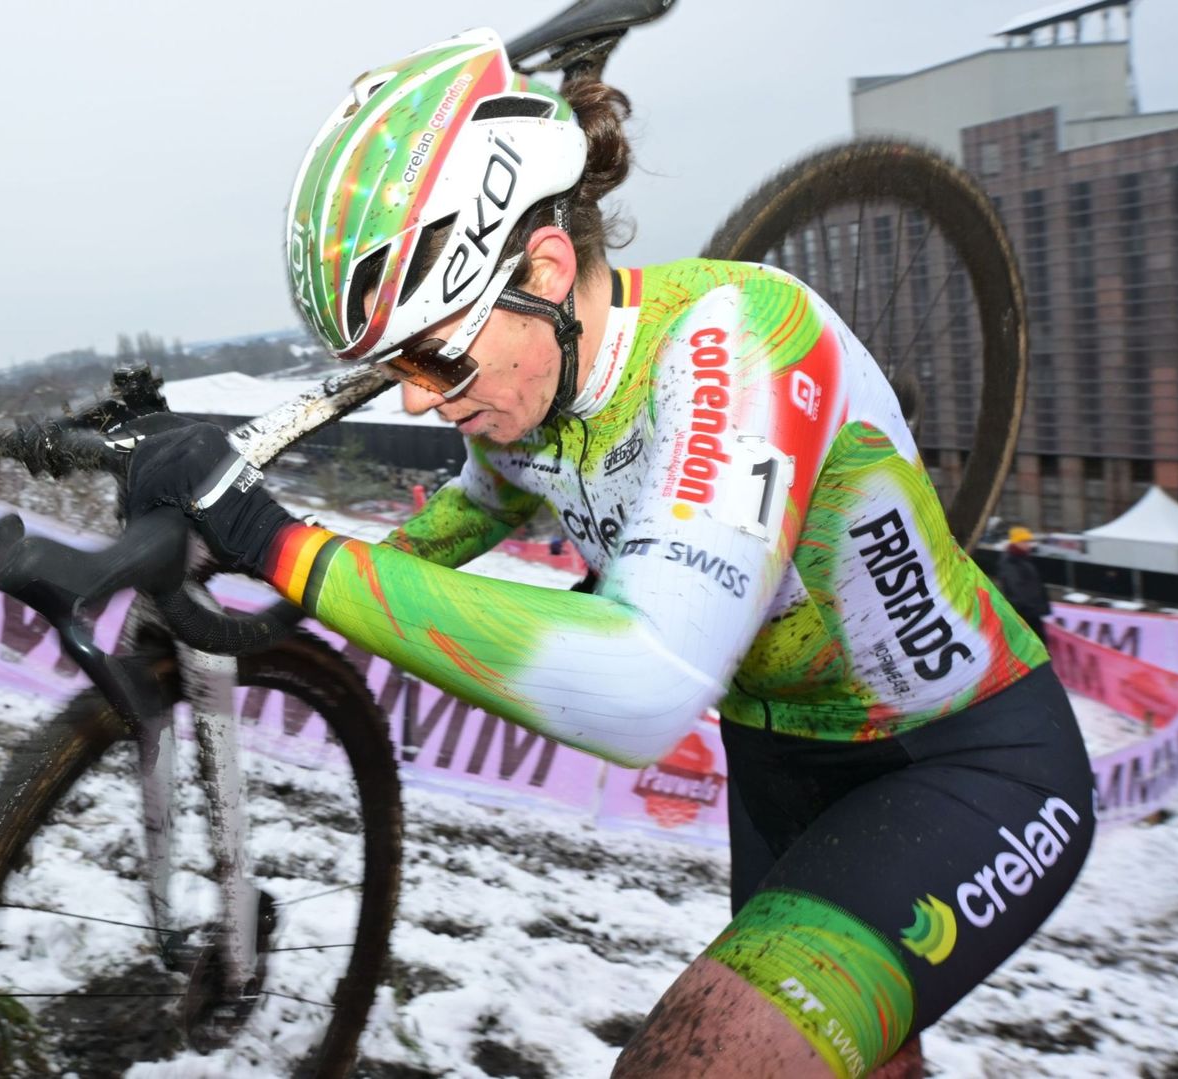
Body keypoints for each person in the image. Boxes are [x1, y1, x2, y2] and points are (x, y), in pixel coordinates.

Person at [120, 28, 1093, 1079]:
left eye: (434, 357)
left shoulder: (739, 337)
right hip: (780, 773)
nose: (418, 400)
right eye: (398, 368)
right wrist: (266, 574)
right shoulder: (526, 402)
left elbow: (643, 681)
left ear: (544, 268)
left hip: (959, 759)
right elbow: (452, 528)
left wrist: (281, 543)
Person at [995, 526, 1053, 646]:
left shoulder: (1022, 558)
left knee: (1039, 644)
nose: (1028, 544)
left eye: (1028, 541)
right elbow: (1017, 589)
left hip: (1031, 612)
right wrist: (1032, 606)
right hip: (1026, 613)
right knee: (1036, 644)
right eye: (1024, 541)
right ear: (1016, 543)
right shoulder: (1011, 562)